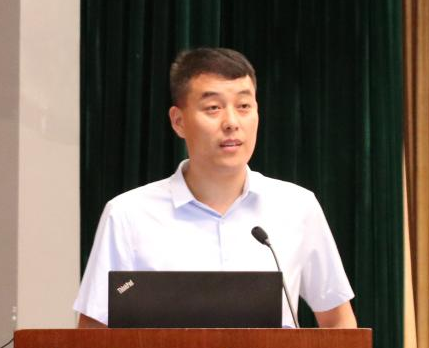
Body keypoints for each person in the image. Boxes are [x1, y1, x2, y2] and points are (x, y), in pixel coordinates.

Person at [73, 47, 357, 329]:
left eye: (244, 106)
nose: (231, 122)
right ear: (178, 121)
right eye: (213, 108)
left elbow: (338, 322)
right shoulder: (128, 215)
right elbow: (93, 333)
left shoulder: (297, 207)